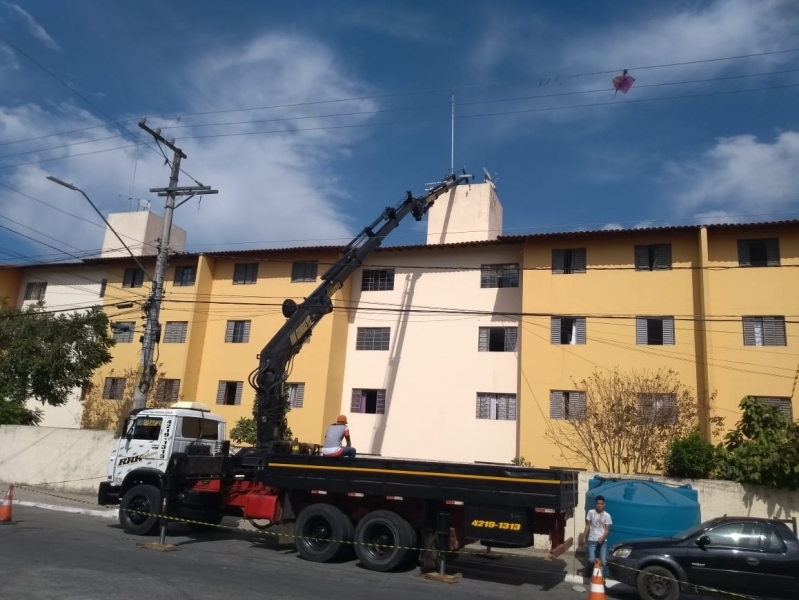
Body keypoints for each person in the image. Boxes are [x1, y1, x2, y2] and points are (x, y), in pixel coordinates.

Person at [584, 495, 612, 579]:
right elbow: (588, 526)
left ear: (604, 504)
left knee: (603, 560)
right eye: (597, 503)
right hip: (592, 539)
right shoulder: (591, 512)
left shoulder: (607, 516)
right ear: (595, 504)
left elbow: (607, 529)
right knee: (591, 559)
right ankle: (588, 570)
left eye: (601, 504)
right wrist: (584, 537)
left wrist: (602, 538)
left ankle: (604, 577)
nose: (599, 505)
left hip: (602, 541)